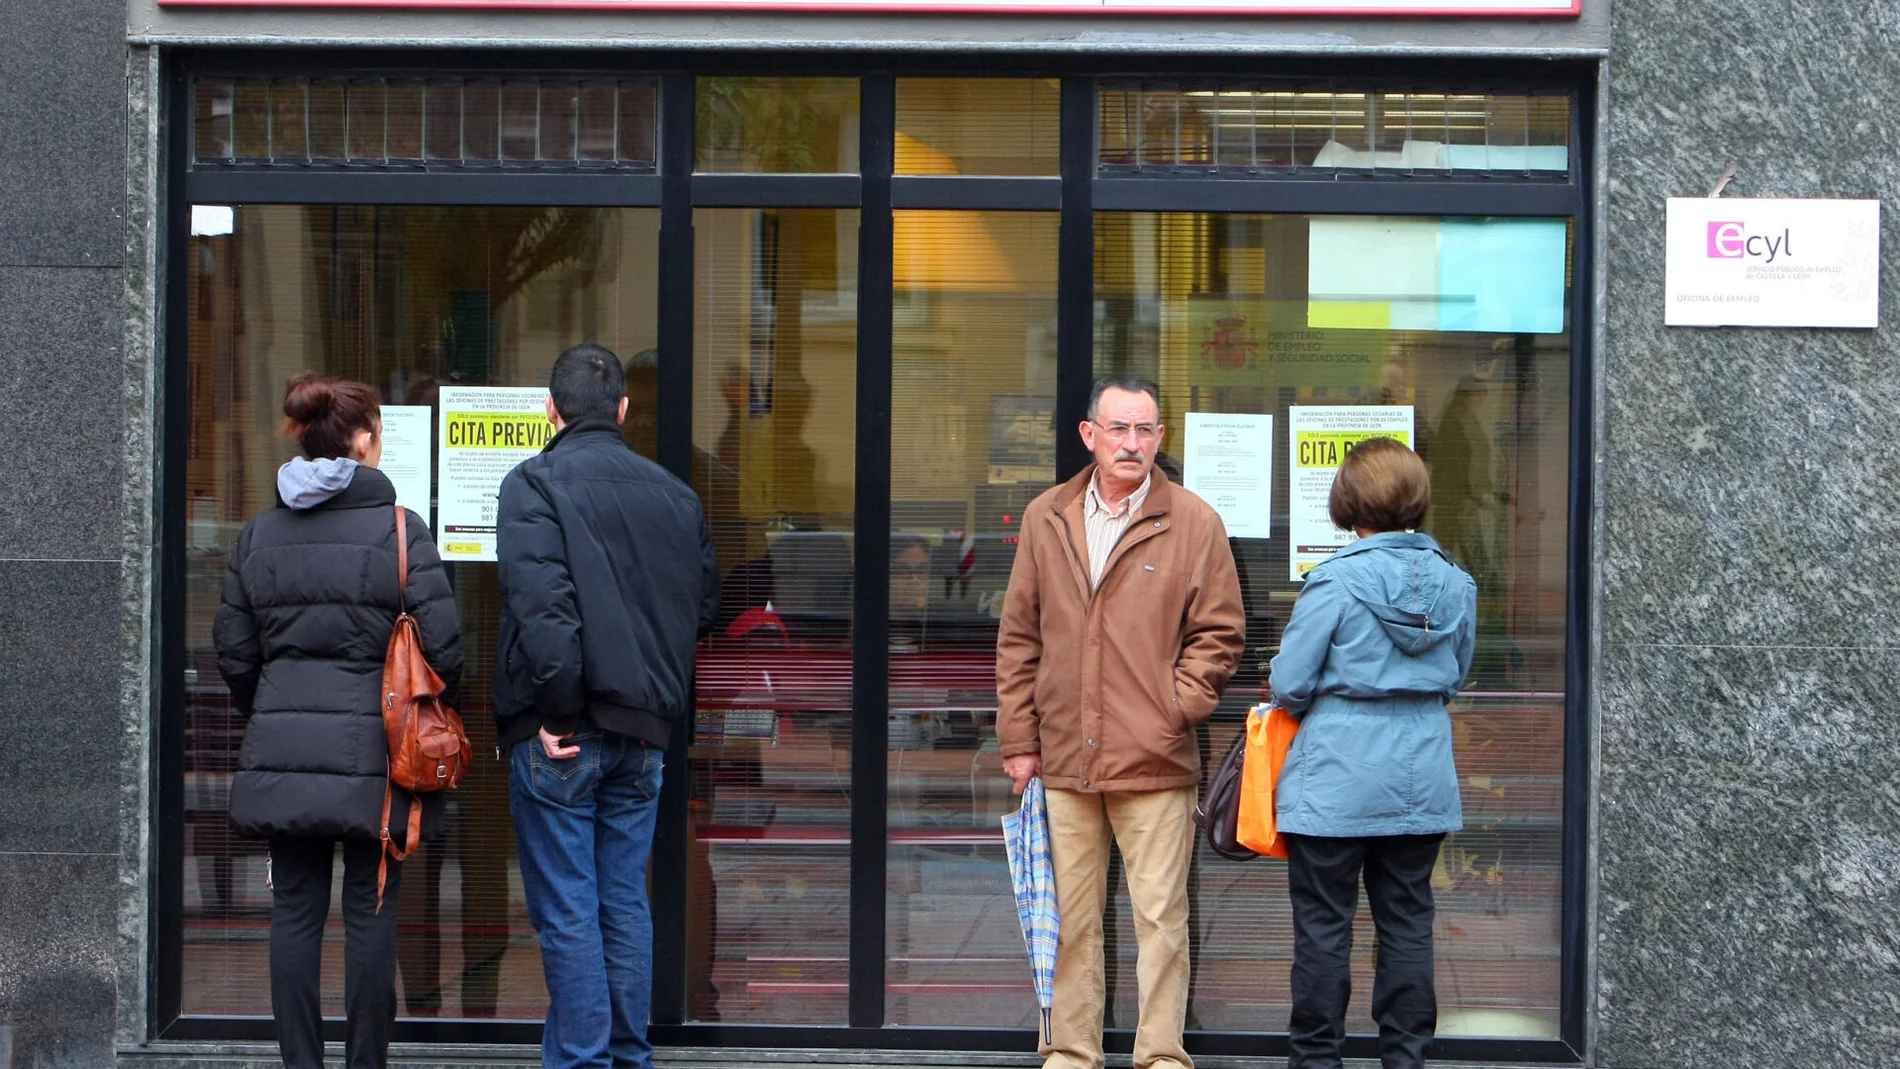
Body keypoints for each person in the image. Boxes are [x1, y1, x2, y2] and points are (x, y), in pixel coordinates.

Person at [996, 377, 1247, 1069]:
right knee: (1071, 918)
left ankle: (1161, 1054)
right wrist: (1020, 740)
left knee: (1161, 920)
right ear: (1090, 435)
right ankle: (1071, 1052)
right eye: (1118, 428)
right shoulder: (1047, 516)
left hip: (1156, 757)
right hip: (1065, 755)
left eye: (1144, 430)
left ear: (1161, 437)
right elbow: (1019, 638)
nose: (1131, 443)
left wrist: (1176, 707)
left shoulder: (1194, 521)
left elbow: (1221, 633)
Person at [214, 372, 463, 1069]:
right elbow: (446, 651)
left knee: (293, 914)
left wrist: (275, 708)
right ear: (362, 441)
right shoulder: (400, 532)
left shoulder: (259, 535)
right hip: (378, 758)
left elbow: (234, 650)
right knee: (371, 912)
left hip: (285, 752)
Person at [496, 342, 720, 1069]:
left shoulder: (533, 483)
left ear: (549, 410)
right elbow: (703, 607)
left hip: (566, 731)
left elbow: (542, 611)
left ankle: (586, 1061)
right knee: (622, 901)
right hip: (643, 731)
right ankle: (625, 1056)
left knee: (568, 909)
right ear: (622, 410)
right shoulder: (676, 495)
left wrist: (558, 711)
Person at [1267, 438, 1477, 1069]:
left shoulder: (1333, 581)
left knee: (1324, 930)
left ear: (1347, 501)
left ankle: (1317, 1061)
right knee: (1408, 923)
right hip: (1422, 773)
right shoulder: (1456, 583)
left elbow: (1290, 683)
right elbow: (1454, 678)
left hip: (1334, 778)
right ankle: (1405, 1059)